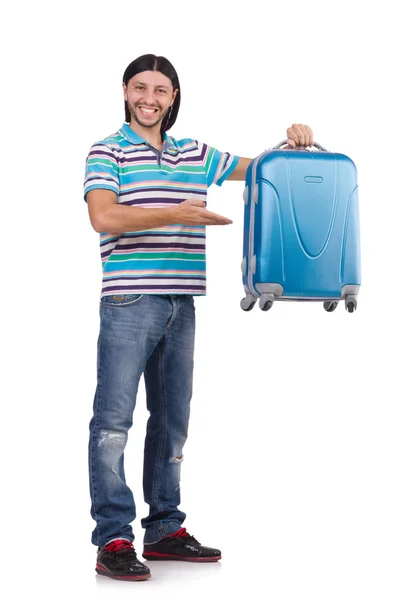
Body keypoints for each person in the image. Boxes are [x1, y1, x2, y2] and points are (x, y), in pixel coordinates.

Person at [83, 53, 314, 582]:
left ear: (173, 97)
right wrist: (176, 213)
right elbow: (103, 216)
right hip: (128, 300)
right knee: (113, 424)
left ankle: (164, 530)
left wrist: (294, 141)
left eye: (161, 90)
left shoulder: (195, 152)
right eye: (140, 87)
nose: (149, 98)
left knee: (172, 424)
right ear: (125, 91)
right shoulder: (108, 148)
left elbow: (264, 171)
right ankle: (113, 538)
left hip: (181, 303)